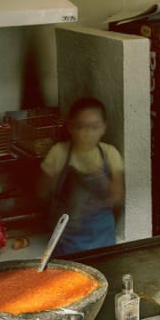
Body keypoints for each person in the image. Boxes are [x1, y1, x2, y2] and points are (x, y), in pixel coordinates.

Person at [39, 97, 125, 257]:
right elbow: (43, 193)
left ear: (103, 128)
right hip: (67, 239)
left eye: (94, 127)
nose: (87, 133)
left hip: (103, 237)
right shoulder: (59, 153)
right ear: (70, 127)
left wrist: (98, 180)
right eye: (81, 127)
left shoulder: (109, 153)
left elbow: (117, 197)